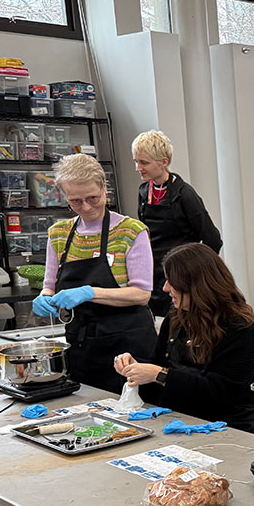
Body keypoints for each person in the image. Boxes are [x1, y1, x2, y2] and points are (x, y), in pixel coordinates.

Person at [33, 154, 155, 394]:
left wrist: (89, 292)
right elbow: (50, 285)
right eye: (76, 201)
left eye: (93, 198)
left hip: (128, 345)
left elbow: (141, 294)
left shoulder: (130, 232)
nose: (86, 207)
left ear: (104, 188)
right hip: (82, 345)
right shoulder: (58, 234)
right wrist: (44, 297)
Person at [113, 243, 254, 432]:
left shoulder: (240, 328)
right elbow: (159, 364)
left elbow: (222, 394)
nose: (165, 288)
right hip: (177, 420)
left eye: (171, 281)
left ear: (196, 285)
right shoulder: (177, 317)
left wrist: (159, 375)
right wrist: (135, 369)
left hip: (227, 428)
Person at [133, 130, 223, 318]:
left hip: (181, 278)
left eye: (144, 163)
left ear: (163, 162)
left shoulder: (185, 195)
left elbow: (213, 239)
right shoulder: (143, 192)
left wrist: (193, 273)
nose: (138, 168)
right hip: (155, 275)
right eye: (136, 162)